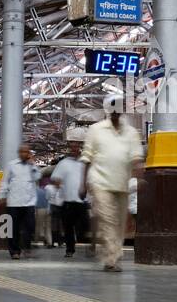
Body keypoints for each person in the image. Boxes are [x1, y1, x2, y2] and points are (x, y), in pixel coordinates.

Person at [81, 93, 144, 272]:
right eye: (113, 107)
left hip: (122, 184)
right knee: (108, 220)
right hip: (100, 182)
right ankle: (112, 259)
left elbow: (136, 157)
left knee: (120, 224)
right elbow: (86, 157)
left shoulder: (131, 132)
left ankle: (112, 253)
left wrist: (140, 174)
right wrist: (83, 183)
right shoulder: (96, 129)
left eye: (119, 107)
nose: (116, 111)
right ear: (108, 109)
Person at [50, 139, 88, 258]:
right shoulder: (64, 163)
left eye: (76, 146)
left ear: (80, 148)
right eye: (72, 147)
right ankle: (70, 249)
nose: (74, 149)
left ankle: (81, 238)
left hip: (82, 200)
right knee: (68, 227)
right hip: (68, 201)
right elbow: (55, 178)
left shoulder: (85, 163)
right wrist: (59, 185)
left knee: (84, 224)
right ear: (69, 149)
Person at [3, 144, 38, 259]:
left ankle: (27, 246)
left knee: (30, 226)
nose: (24, 154)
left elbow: (38, 177)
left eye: (26, 152)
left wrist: (33, 164)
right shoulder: (11, 165)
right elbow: (5, 181)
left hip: (29, 202)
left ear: (29, 153)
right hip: (14, 202)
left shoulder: (31, 166)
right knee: (13, 229)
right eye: (22, 152)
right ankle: (14, 251)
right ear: (19, 153)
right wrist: (2, 196)